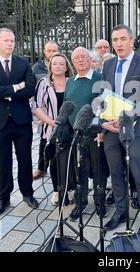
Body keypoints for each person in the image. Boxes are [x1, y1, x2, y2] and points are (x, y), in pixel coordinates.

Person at [101, 24, 140, 238]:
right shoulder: (108, 65)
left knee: (138, 173)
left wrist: (126, 117)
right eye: (115, 40)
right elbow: (105, 96)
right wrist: (106, 120)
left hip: (136, 129)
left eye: (123, 39)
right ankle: (121, 212)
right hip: (112, 129)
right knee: (115, 173)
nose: (119, 44)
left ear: (131, 41)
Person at [0, 28, 38, 216]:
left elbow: (30, 89)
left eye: (12, 40)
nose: (10, 44)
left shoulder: (23, 62)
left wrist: (3, 90)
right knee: (3, 161)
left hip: (21, 120)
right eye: (5, 40)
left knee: (25, 159)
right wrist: (15, 87)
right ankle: (3, 198)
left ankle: (27, 193)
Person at [65, 47, 109, 220]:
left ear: (90, 59)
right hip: (76, 134)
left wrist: (102, 130)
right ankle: (81, 203)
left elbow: (106, 106)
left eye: (84, 57)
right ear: (73, 62)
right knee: (79, 171)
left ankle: (100, 204)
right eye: (76, 58)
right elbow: (67, 106)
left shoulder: (99, 78)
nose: (80, 60)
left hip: (95, 134)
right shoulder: (70, 82)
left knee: (99, 171)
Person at [33, 53, 73, 206]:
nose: (58, 66)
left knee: (69, 160)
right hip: (51, 129)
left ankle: (69, 189)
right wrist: (51, 122)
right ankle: (56, 190)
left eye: (61, 64)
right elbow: (36, 107)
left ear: (66, 67)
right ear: (50, 66)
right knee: (54, 160)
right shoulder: (43, 83)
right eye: (55, 63)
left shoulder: (72, 82)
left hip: (70, 130)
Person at [32, 40, 59, 181]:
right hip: (44, 111)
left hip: (58, 108)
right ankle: (42, 168)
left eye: (55, 50)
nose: (52, 53)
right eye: (49, 51)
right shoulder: (37, 68)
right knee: (44, 140)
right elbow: (32, 89)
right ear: (44, 52)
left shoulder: (61, 65)